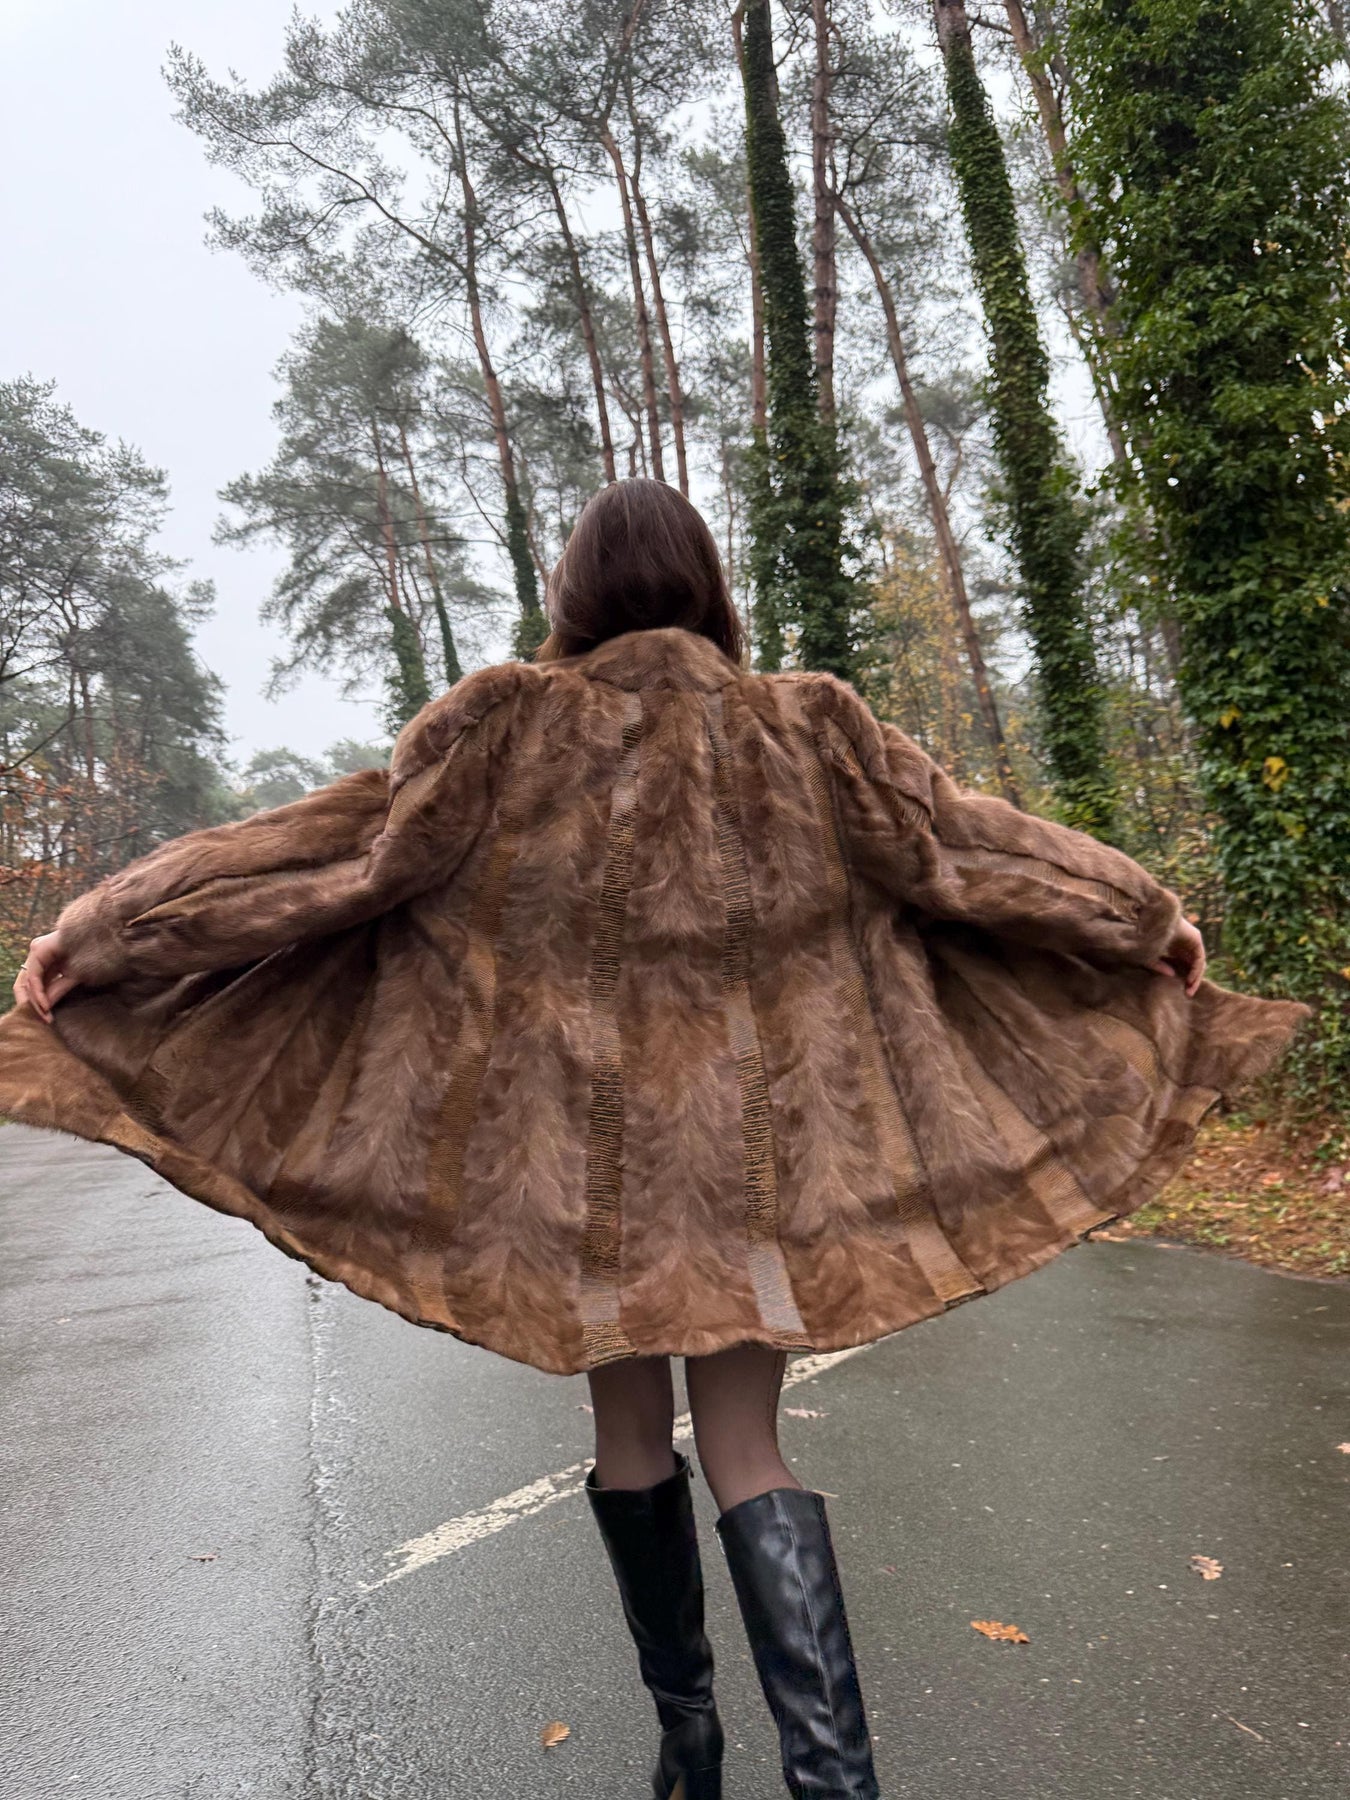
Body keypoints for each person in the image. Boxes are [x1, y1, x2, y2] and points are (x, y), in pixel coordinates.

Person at [4, 478, 1307, 1800]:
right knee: (748, 1451)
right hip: (758, 1184)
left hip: (584, 1193)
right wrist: (1143, 918)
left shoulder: (499, 724)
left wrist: (95, 934)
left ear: (572, 593)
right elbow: (963, 849)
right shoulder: (810, 726)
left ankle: (688, 1742)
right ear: (708, 588)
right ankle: (832, 1781)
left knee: (629, 1436)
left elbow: (325, 853)